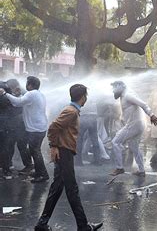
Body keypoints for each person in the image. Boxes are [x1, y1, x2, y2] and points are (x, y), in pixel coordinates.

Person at [34, 84, 102, 231]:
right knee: (72, 190)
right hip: (64, 153)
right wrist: (53, 146)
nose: (86, 99)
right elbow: (53, 127)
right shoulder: (71, 111)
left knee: (57, 189)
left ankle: (42, 223)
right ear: (82, 96)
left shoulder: (73, 111)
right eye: (86, 96)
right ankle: (83, 226)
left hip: (65, 152)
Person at [0, 76, 49, 183]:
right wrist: (16, 95)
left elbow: (17, 102)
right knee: (34, 150)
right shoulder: (37, 94)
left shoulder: (32, 94)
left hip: (36, 128)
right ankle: (38, 172)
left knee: (35, 151)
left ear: (30, 85)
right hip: (39, 127)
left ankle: (43, 174)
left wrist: (5, 94)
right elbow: (21, 100)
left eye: (27, 83)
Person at [109, 81, 157, 176]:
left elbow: (143, 104)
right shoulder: (124, 95)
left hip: (134, 124)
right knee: (134, 147)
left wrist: (151, 115)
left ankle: (119, 168)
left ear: (120, 87)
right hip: (138, 124)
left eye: (114, 88)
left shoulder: (128, 95)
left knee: (115, 142)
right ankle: (141, 171)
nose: (113, 91)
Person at [5, 79, 32, 174]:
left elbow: (19, 104)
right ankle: (8, 164)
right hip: (12, 125)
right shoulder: (9, 93)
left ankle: (28, 165)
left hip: (22, 125)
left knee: (22, 146)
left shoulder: (25, 93)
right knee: (9, 145)